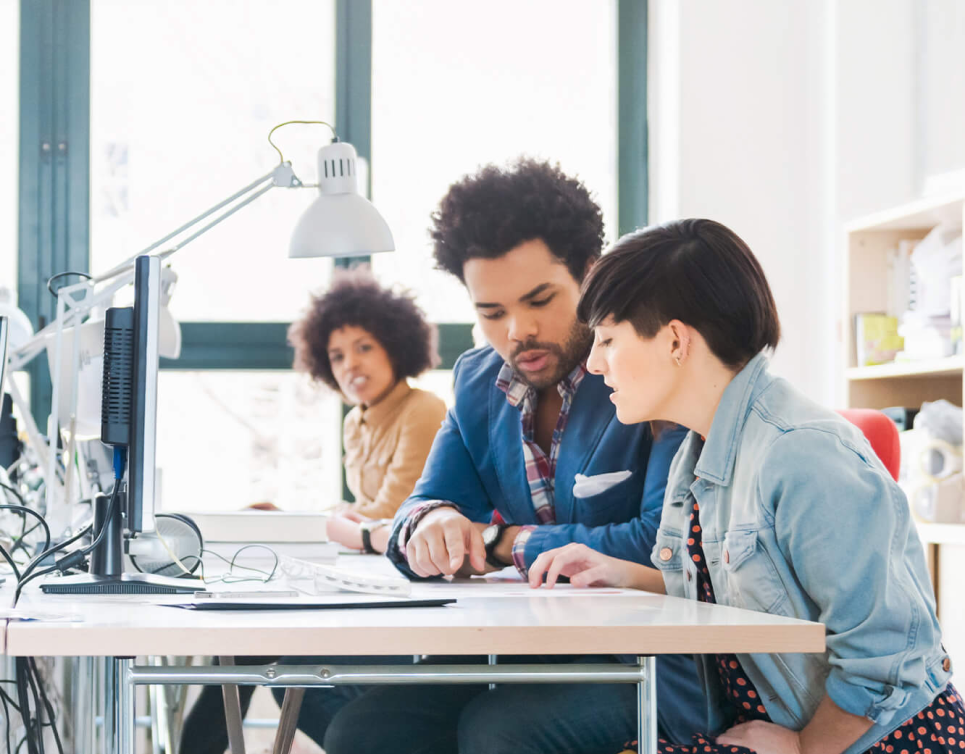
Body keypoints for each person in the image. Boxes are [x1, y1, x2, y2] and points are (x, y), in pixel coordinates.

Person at [303, 158, 706, 754]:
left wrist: (500, 544)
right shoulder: (477, 383)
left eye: (539, 300)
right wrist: (432, 523)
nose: (517, 330)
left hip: (638, 658)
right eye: (491, 312)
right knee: (364, 730)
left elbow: (657, 543)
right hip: (519, 647)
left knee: (499, 732)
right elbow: (419, 508)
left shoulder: (645, 373)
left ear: (590, 274)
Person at [529, 218, 961, 754]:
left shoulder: (803, 453)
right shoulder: (698, 450)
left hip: (874, 741)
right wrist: (624, 575)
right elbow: (740, 593)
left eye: (608, 339)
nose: (593, 364)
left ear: (675, 340)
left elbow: (887, 655)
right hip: (784, 731)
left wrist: (804, 748)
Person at [180, 268, 445, 754]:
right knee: (247, 645)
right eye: (337, 356)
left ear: (395, 346)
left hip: (406, 604)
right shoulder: (357, 423)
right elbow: (359, 513)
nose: (350, 365)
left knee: (265, 655)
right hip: (371, 590)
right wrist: (303, 519)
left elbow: (391, 516)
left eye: (364, 347)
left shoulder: (423, 409)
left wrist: (313, 523)